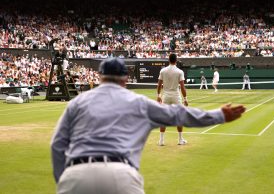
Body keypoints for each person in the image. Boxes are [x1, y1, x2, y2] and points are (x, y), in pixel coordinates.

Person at [51, 57, 246, 194]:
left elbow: (58, 145)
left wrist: (66, 179)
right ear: (126, 79)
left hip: (74, 176)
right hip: (120, 175)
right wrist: (218, 115)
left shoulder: (77, 103)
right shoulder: (138, 103)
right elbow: (179, 114)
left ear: (100, 77)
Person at [157, 53, 187, 146]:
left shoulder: (163, 71)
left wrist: (158, 95)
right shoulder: (179, 71)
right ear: (176, 60)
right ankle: (180, 140)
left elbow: (159, 85)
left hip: (165, 96)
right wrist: (185, 98)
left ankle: (161, 141)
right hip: (176, 96)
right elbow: (182, 86)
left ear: (169, 60)